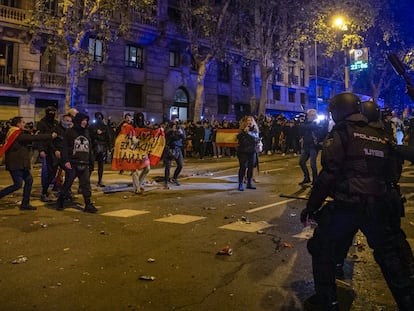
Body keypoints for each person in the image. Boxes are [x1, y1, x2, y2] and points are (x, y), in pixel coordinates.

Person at [300, 93, 414, 311]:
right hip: (379, 207)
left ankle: (327, 302)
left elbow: (329, 174)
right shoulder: (380, 135)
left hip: (348, 205)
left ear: (340, 111)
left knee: (321, 248)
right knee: (392, 259)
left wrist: (311, 207)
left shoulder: (341, 133)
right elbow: (392, 174)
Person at [0, 116, 56, 210]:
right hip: (16, 164)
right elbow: (33, 138)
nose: (24, 124)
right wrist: (50, 136)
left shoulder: (15, 133)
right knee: (18, 184)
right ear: (18, 124)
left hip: (20, 164)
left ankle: (25, 204)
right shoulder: (16, 133)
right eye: (22, 122)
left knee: (29, 181)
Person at [56, 113, 97, 213]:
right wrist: (65, 161)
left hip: (84, 162)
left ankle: (88, 203)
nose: (85, 122)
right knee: (68, 183)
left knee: (86, 184)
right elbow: (64, 147)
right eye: (83, 120)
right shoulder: (70, 132)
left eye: (86, 120)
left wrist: (91, 162)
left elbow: (89, 148)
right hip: (73, 162)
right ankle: (61, 200)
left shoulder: (86, 132)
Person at [37, 106, 60, 202]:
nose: (52, 113)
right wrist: (41, 150)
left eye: (53, 111)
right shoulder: (42, 123)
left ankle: (49, 188)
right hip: (46, 150)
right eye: (50, 111)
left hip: (54, 150)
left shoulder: (56, 123)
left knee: (53, 171)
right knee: (46, 172)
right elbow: (39, 138)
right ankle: (44, 191)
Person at [298, 109, 322, 186]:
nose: (308, 117)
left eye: (310, 115)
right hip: (306, 146)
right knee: (301, 162)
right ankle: (307, 177)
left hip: (313, 146)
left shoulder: (317, 122)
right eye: (308, 115)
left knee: (313, 164)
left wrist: (303, 123)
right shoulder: (307, 123)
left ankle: (315, 180)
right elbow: (301, 128)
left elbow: (309, 127)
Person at [236, 115, 259, 191]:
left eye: (251, 120)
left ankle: (249, 183)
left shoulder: (255, 130)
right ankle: (240, 183)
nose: (249, 122)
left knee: (251, 167)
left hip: (252, 151)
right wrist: (244, 132)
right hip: (243, 151)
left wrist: (248, 132)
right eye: (248, 121)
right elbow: (238, 138)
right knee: (243, 167)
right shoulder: (242, 130)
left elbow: (256, 139)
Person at [131, 112, 151, 194]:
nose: (140, 119)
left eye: (141, 117)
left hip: (143, 151)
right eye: (138, 117)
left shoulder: (145, 128)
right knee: (134, 170)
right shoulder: (131, 128)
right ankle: (137, 188)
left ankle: (139, 184)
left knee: (147, 168)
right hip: (133, 151)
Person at [90, 112, 111, 187]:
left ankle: (100, 180)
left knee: (100, 165)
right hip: (95, 147)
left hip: (102, 147)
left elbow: (108, 137)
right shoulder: (92, 126)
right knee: (91, 165)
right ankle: (87, 181)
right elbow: (90, 136)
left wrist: (109, 147)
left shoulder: (104, 127)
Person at [164, 120, 186, 189]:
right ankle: (166, 181)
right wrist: (172, 131)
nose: (175, 124)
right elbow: (167, 136)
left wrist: (181, 133)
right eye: (174, 123)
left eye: (176, 123)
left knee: (180, 165)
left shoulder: (180, 129)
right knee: (168, 166)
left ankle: (174, 178)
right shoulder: (169, 130)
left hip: (178, 149)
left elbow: (184, 137)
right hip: (169, 149)